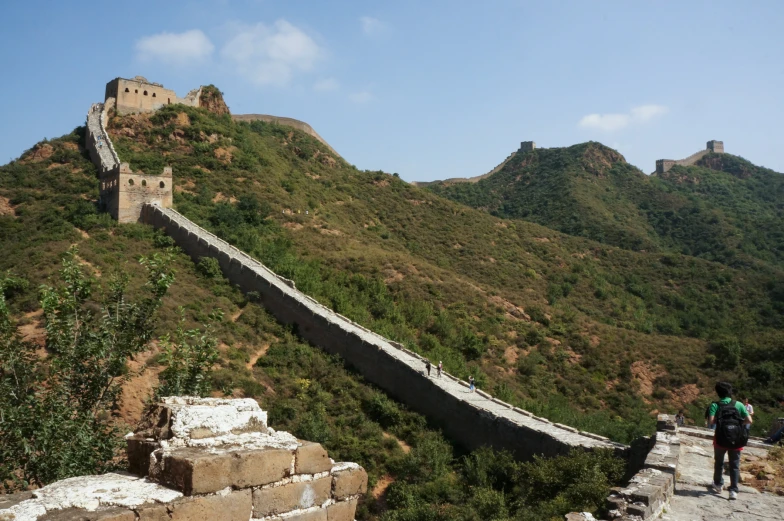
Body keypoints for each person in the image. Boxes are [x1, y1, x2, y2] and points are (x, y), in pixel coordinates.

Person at [707, 382, 751, 500]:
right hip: (736, 439)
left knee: (719, 463)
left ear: (718, 393)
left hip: (720, 438)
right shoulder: (739, 404)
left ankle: (718, 484)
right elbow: (749, 420)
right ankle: (733, 490)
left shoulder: (715, 405)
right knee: (734, 464)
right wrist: (737, 424)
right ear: (730, 392)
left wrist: (722, 423)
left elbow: (711, 421)